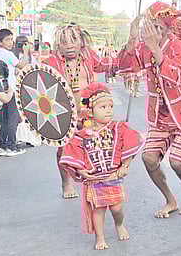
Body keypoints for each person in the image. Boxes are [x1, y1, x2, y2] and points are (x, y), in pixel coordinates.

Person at [118, 2, 181, 218]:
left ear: (167, 29)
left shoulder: (178, 47)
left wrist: (156, 50)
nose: (151, 32)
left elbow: (178, 78)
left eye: (157, 27)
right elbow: (124, 66)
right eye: (149, 26)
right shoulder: (143, 47)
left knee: (177, 161)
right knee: (148, 159)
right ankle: (170, 199)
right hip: (160, 117)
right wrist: (131, 38)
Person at [59, 83, 144, 250]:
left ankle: (119, 225)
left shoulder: (118, 129)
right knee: (99, 210)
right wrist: (82, 171)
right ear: (90, 112)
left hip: (113, 177)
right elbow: (74, 153)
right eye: (103, 107)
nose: (109, 110)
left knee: (117, 208)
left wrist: (125, 165)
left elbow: (130, 144)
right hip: (95, 180)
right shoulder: (82, 135)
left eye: (110, 106)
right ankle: (100, 237)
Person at [42, 22, 118, 199]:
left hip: (88, 113)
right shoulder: (51, 63)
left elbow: (109, 64)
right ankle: (66, 183)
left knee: (94, 145)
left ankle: (96, 178)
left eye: (73, 41)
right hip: (63, 115)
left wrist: (130, 48)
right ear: (58, 45)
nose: (69, 46)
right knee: (63, 150)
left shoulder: (88, 57)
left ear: (81, 43)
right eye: (64, 42)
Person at [0, 29, 34, 157]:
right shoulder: (8, 54)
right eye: (7, 40)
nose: (10, 42)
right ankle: (11, 145)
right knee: (12, 119)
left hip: (4, 90)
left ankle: (4, 145)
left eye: (11, 39)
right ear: (0, 42)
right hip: (11, 89)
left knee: (5, 119)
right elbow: (22, 65)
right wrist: (26, 52)